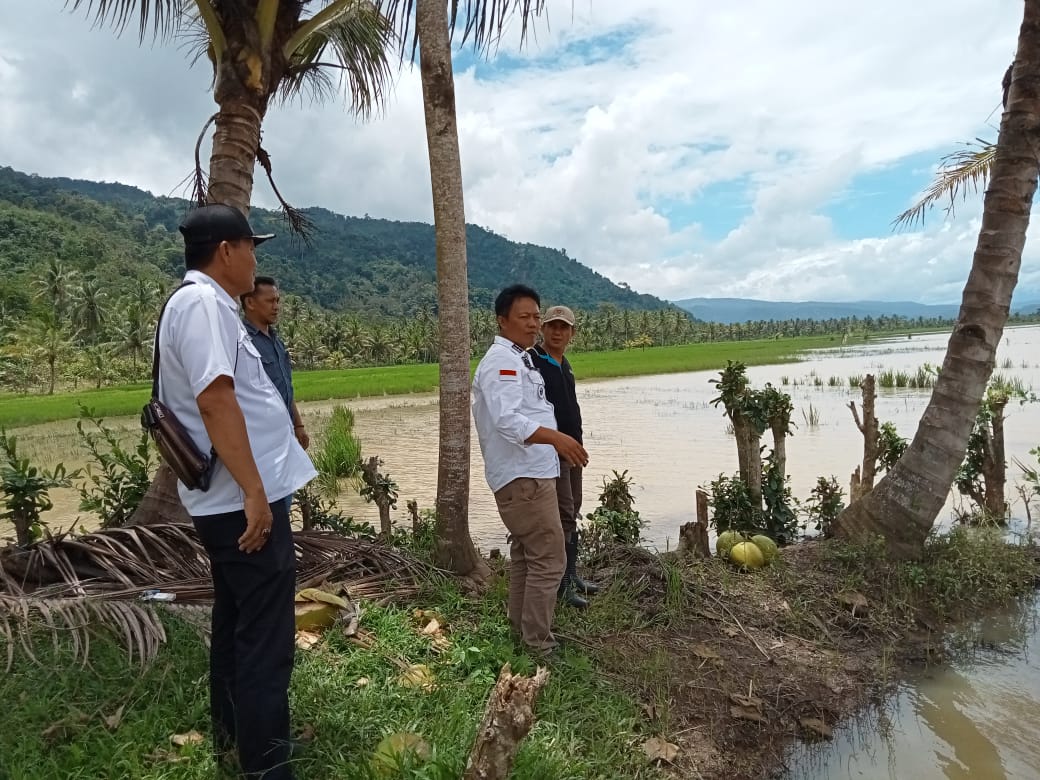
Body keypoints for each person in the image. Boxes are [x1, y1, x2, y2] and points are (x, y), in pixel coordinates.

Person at [158, 204, 317, 779]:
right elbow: (216, 399)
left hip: (230, 500)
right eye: (252, 246)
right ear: (227, 250)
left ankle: (233, 732)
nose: (255, 258)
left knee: (235, 620)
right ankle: (267, 766)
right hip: (239, 502)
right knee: (266, 639)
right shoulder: (203, 304)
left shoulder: (209, 305)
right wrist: (254, 490)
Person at [471, 284, 589, 655]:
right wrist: (557, 439)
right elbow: (507, 420)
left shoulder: (520, 358)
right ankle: (538, 643)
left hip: (532, 474)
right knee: (550, 558)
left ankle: (520, 629)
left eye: (536, 316)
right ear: (502, 320)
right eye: (525, 317)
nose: (534, 324)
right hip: (523, 479)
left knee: (526, 555)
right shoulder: (503, 362)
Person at [530, 305, 600, 609]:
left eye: (564, 327)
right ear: (543, 329)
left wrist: (579, 445)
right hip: (550, 452)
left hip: (573, 450)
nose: (558, 332)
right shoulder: (533, 362)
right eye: (553, 326)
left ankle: (572, 575)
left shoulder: (564, 363)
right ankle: (560, 585)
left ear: (572, 333)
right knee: (561, 514)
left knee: (573, 510)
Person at [241, 276, 309, 449]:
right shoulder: (242, 342)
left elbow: (286, 386)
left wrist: (298, 425)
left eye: (277, 301)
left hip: (284, 430)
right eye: (270, 301)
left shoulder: (277, 342)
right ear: (250, 302)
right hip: (259, 436)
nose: (276, 307)